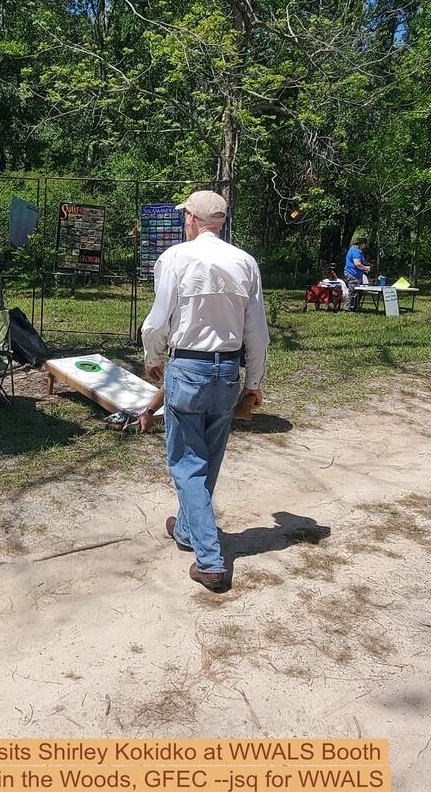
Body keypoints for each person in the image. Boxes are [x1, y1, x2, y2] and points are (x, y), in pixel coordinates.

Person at [142, 189, 269, 592]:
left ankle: (210, 561)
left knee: (186, 464)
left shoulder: (175, 258)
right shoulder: (245, 262)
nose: (184, 222)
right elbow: (257, 333)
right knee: (208, 460)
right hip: (228, 370)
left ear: (194, 220)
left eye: (186, 217)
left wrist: (152, 356)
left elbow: (156, 321)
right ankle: (185, 528)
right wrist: (254, 383)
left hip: (188, 368)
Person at [341, 235, 372, 310]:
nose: (365, 245)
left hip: (357, 274)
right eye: (365, 243)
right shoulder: (355, 251)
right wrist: (366, 268)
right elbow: (357, 264)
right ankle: (348, 307)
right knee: (353, 291)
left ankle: (355, 306)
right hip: (352, 273)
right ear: (361, 244)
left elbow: (361, 262)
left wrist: (367, 265)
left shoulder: (356, 251)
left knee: (359, 291)